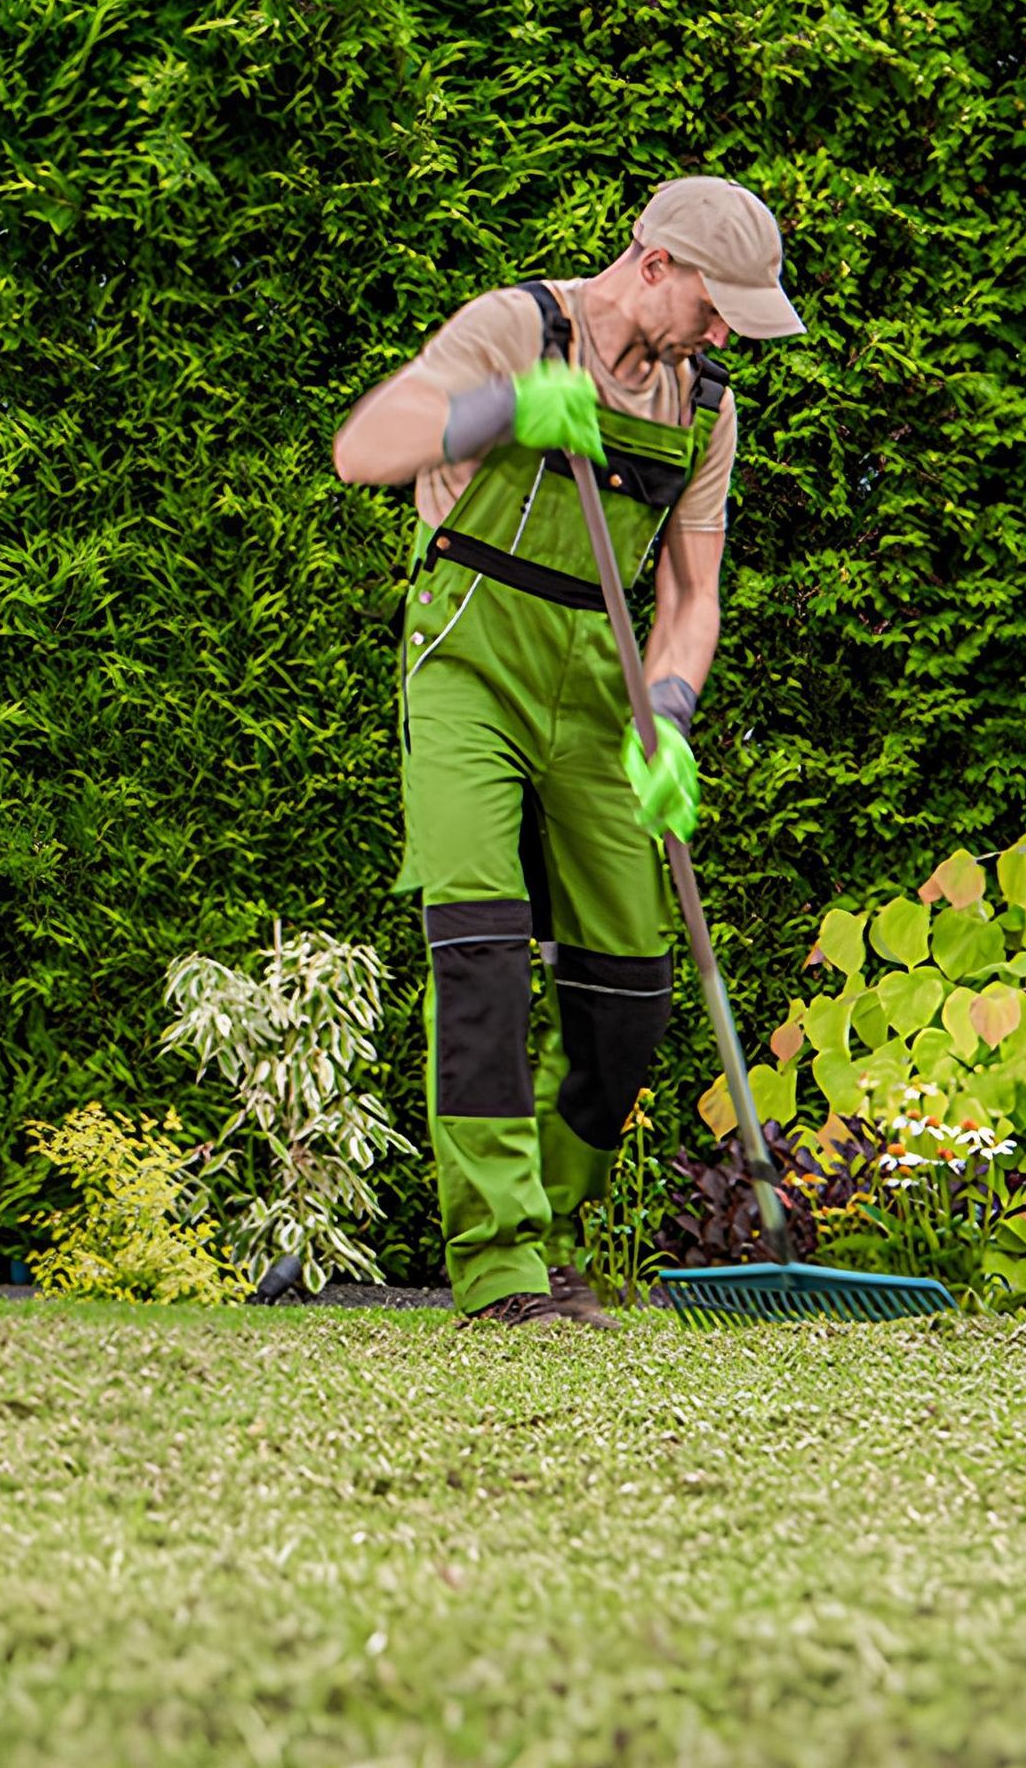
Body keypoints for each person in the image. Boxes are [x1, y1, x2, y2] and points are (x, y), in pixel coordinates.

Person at [332, 177, 804, 1328]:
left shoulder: (706, 402)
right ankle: (498, 1269)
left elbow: (691, 593)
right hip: (468, 651)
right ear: (654, 265)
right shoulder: (514, 327)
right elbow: (363, 447)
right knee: (481, 947)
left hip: (602, 683)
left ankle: (543, 1228)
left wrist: (673, 716)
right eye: (716, 300)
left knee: (630, 993)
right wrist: (502, 412)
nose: (725, 327)